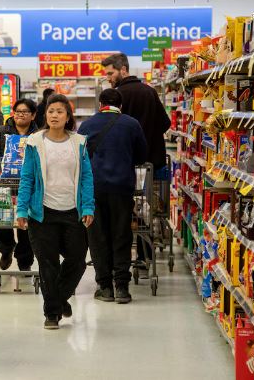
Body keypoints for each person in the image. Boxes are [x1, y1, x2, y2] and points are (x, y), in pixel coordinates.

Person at [16, 94, 94, 330]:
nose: (55, 115)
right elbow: (27, 177)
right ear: (45, 115)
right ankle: (52, 313)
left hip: (73, 211)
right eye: (51, 111)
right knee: (48, 264)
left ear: (68, 116)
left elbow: (87, 177)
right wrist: (21, 208)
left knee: (78, 261)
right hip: (43, 213)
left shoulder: (79, 142)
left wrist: (88, 205)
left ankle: (59, 299)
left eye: (60, 111)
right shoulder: (35, 142)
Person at [78, 88, 147, 304]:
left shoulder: (87, 125)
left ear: (100, 104)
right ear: (121, 105)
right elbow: (141, 155)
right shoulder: (131, 124)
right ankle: (122, 287)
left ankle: (105, 287)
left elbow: (80, 156)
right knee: (121, 235)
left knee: (97, 237)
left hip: (94, 188)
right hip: (122, 187)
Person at [102, 53, 171, 264]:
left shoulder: (117, 96)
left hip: (128, 165)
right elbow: (166, 123)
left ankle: (126, 256)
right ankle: (145, 254)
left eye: (110, 73)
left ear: (123, 70)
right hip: (153, 163)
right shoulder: (150, 92)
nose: (108, 78)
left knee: (128, 210)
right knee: (148, 210)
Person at [0, 98, 38, 271]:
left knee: (27, 227)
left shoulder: (38, 135)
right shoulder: (1, 131)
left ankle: (25, 262)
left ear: (33, 115)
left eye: (25, 112)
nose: (20, 115)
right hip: (5, 184)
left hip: (30, 186)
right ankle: (7, 249)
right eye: (18, 111)